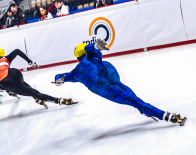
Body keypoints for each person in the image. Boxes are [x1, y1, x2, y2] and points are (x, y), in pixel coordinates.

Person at [53, 39, 187, 126]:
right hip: (112, 79)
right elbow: (90, 49)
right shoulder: (92, 57)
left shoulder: (76, 73)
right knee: (135, 100)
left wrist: (58, 80)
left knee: (134, 101)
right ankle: (162, 114)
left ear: (77, 57)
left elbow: (61, 76)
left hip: (107, 89)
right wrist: (94, 45)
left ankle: (157, 113)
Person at [0, 47, 76, 108]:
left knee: (34, 93)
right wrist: (30, 62)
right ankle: (36, 98)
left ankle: (58, 100)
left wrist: (7, 90)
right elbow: (17, 51)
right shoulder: (5, 59)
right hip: (15, 72)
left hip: (7, 82)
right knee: (24, 85)